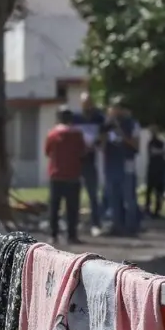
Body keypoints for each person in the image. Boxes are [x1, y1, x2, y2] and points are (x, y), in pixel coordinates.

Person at [44, 107, 87, 244]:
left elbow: (47, 152)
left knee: (54, 207)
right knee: (72, 208)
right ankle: (71, 235)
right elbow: (82, 151)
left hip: (56, 174)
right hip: (73, 174)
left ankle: (53, 234)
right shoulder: (77, 134)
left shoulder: (52, 134)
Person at [102, 99, 142, 235]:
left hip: (126, 164)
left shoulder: (131, 124)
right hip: (112, 165)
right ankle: (116, 226)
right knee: (113, 197)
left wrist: (121, 132)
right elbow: (101, 145)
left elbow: (136, 145)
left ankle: (132, 226)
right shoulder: (107, 126)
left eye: (117, 108)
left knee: (128, 197)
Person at [73, 92, 105, 232]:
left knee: (93, 194)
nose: (87, 106)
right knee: (74, 193)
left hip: (90, 160)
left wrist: (94, 145)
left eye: (89, 102)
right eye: (84, 103)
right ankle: (74, 222)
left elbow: (102, 137)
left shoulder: (98, 118)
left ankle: (95, 223)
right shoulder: (75, 118)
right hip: (76, 161)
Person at [144, 129, 165, 217]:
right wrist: (161, 152)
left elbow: (161, 152)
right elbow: (154, 152)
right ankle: (148, 208)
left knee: (158, 191)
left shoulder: (160, 142)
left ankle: (157, 209)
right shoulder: (151, 143)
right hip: (153, 169)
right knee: (149, 190)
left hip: (159, 169)